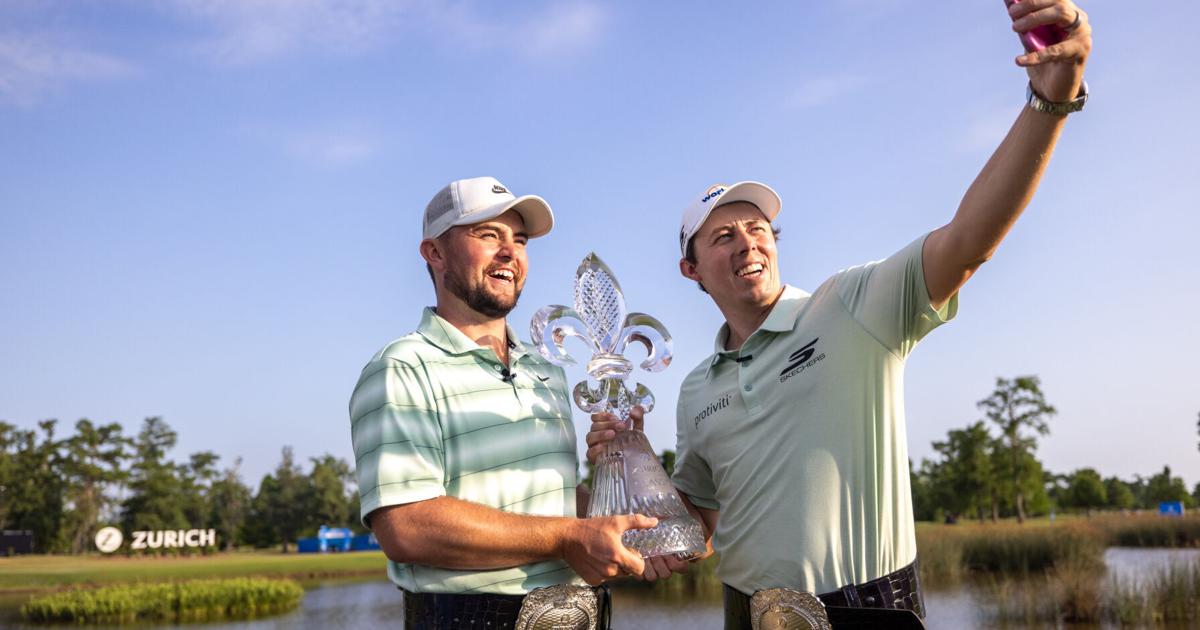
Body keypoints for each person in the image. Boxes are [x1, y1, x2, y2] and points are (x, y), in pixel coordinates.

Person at [586, 2, 1092, 628]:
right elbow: (700, 530)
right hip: (746, 611)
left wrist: (1050, 100)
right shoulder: (696, 389)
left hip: (868, 608)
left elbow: (969, 240)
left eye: (758, 228)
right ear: (690, 269)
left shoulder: (854, 304)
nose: (748, 243)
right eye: (722, 238)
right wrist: (635, 463)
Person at [350, 176, 655, 630]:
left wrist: (623, 500)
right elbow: (406, 526)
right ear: (434, 253)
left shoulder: (545, 370)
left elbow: (554, 501)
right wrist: (570, 537)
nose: (510, 252)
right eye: (488, 235)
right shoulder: (402, 367)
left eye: (519, 239)